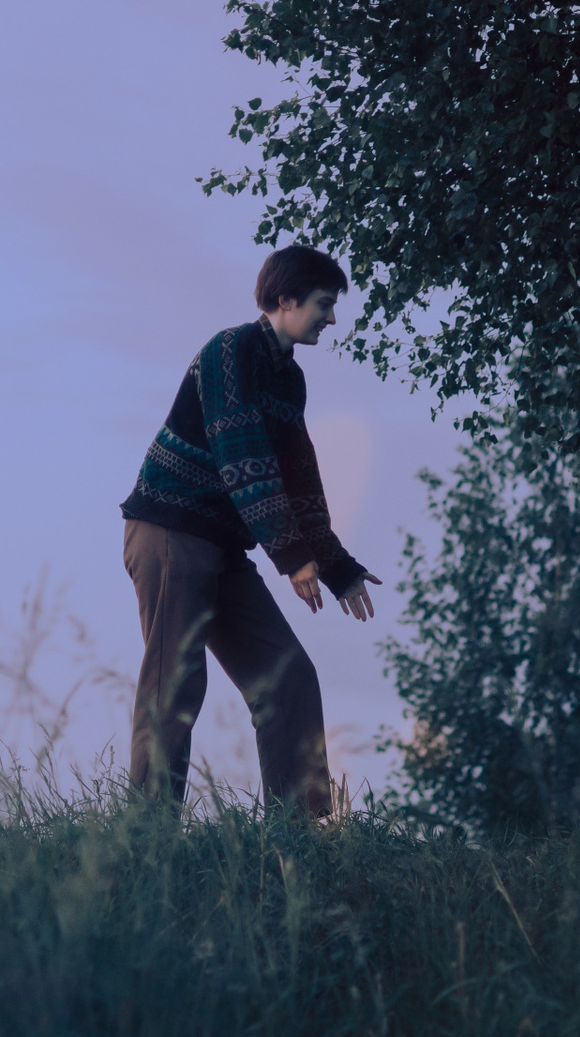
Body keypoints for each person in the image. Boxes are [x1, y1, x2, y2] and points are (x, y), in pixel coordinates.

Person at [119, 245, 382, 818]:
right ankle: (146, 838)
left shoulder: (288, 379)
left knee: (288, 678)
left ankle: (294, 836)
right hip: (170, 528)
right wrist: (291, 555)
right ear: (286, 299)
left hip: (221, 544)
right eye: (324, 304)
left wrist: (336, 566)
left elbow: (299, 477)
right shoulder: (230, 351)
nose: (332, 318)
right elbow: (243, 455)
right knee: (175, 684)